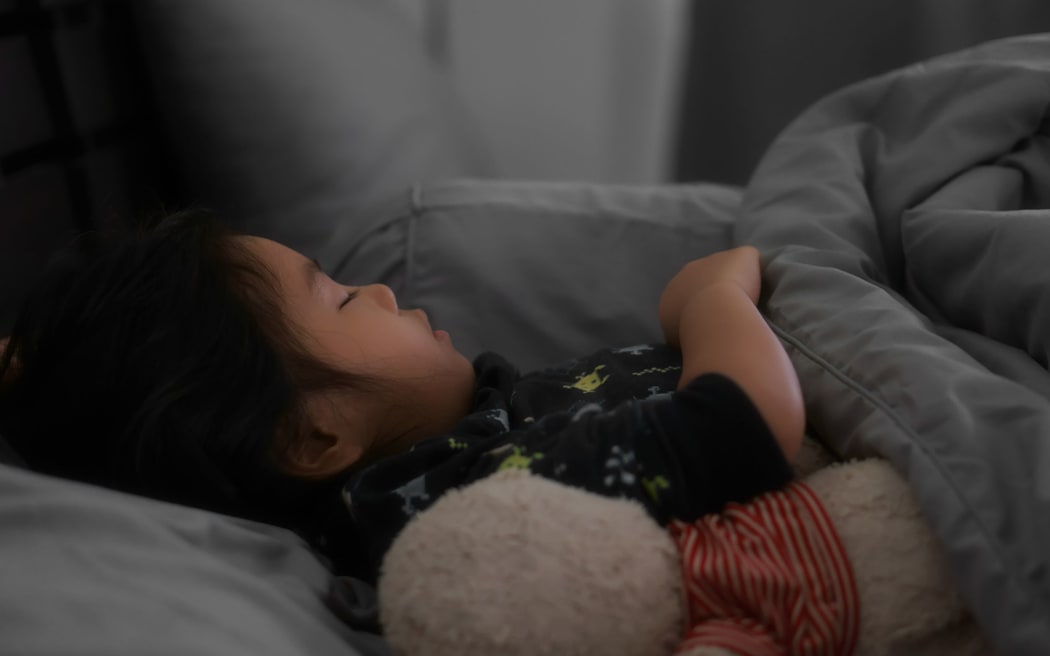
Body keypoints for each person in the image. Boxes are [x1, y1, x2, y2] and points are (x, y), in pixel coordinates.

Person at [0, 208, 805, 580]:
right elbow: (739, 428)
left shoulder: (469, 436)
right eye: (343, 299)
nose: (381, 292)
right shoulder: (459, 497)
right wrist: (712, 303)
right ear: (313, 438)